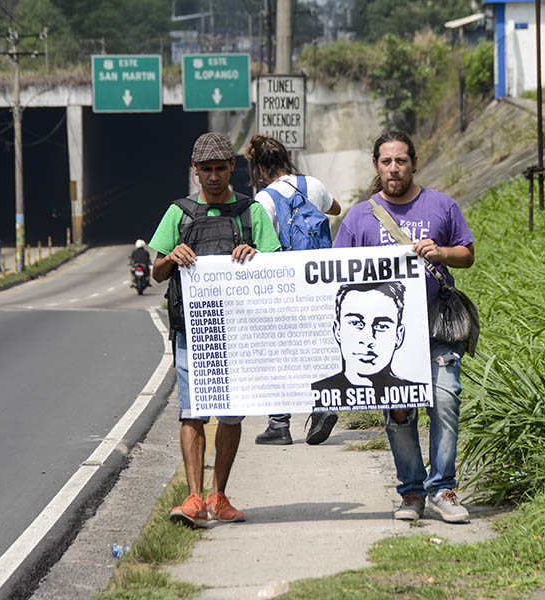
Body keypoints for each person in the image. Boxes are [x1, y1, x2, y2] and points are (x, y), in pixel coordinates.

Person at [334, 131, 475, 523]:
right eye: (386, 162)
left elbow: (467, 254)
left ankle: (443, 489)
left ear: (413, 163)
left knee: (445, 399)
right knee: (399, 411)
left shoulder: (442, 206)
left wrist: (442, 252)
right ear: (376, 166)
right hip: (386, 335)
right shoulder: (360, 217)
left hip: (435, 325)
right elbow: (335, 274)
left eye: (400, 161)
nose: (393, 168)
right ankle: (411, 492)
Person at [149, 132, 281, 527]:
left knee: (231, 417)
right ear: (195, 172)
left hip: (239, 334)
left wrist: (254, 255)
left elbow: (277, 269)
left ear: (232, 169)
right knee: (192, 414)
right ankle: (193, 499)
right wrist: (171, 256)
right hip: (192, 332)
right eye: (205, 170)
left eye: (220, 169)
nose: (212, 177)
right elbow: (156, 273)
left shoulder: (250, 211)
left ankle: (218, 496)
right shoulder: (180, 213)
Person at [244, 134, 342, 446]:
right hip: (320, 281)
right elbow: (336, 209)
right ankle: (323, 406)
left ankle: (279, 424)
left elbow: (262, 247)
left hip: (285, 287)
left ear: (260, 168)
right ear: (286, 159)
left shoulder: (264, 199)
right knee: (316, 348)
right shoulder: (313, 184)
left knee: (279, 355)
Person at [311, 281, 428, 411]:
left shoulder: (419, 390)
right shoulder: (314, 391)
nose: (368, 339)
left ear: (398, 335)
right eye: (355, 323)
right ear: (337, 330)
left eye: (381, 326)